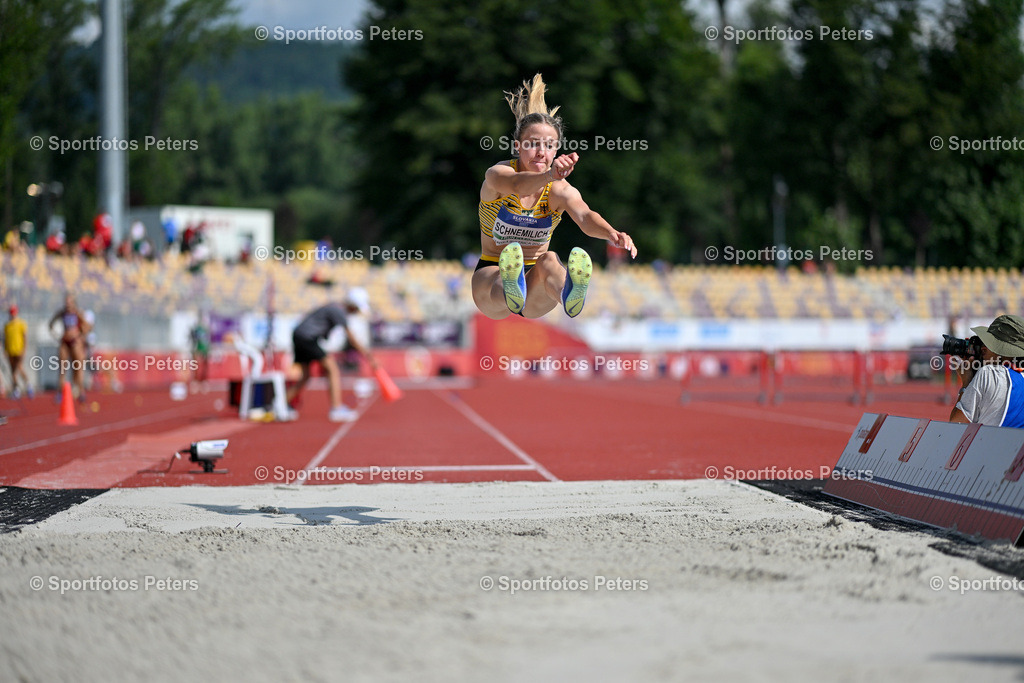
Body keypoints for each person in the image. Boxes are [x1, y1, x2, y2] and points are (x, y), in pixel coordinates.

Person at [473, 74, 637, 320]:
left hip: (537, 285)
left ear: (556, 150)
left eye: (549, 146)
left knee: (550, 259)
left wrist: (611, 233)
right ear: (517, 147)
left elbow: (585, 215)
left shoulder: (559, 190)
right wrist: (550, 174)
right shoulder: (498, 175)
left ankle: (567, 292)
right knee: (498, 279)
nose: (541, 152)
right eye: (533, 144)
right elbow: (518, 186)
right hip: (493, 270)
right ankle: (510, 286)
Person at [286, 288, 379, 422]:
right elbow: (351, 338)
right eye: (357, 308)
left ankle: (280, 405)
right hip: (307, 338)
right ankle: (336, 409)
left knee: (305, 376)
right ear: (352, 304)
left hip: (301, 336)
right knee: (332, 368)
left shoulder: (336, 308)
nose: (356, 312)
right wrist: (369, 357)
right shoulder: (339, 311)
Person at [949, 314, 1024, 427]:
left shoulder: (989, 373)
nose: (983, 348)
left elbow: (956, 424)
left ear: (1005, 350)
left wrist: (966, 383)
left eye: (990, 343)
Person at [49, 293, 91, 401]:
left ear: (73, 302)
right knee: (62, 368)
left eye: (69, 302)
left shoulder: (77, 313)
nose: (67, 304)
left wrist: (80, 335)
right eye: (66, 302)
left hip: (75, 342)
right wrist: (56, 336)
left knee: (77, 368)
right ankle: (60, 393)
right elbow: (51, 323)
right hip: (65, 342)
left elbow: (88, 326)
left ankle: (81, 391)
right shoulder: (62, 313)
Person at [4, 305, 32, 399]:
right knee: (13, 371)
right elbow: (6, 339)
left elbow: (25, 338)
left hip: (19, 350)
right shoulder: (7, 326)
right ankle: (17, 388)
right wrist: (5, 350)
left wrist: (24, 349)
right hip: (10, 351)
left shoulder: (21, 324)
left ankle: (27, 385)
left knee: (18, 368)